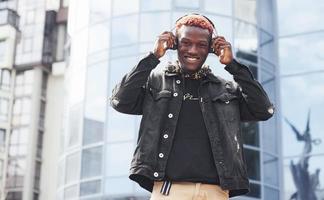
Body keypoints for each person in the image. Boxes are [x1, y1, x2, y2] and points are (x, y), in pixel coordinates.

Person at [110, 13, 275, 200]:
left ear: (211, 48)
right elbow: (120, 101)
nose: (193, 50)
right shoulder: (156, 82)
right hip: (169, 190)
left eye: (201, 45)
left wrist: (233, 66)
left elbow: (264, 110)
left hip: (215, 192)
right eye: (186, 42)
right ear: (174, 44)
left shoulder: (225, 88)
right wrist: (153, 57)